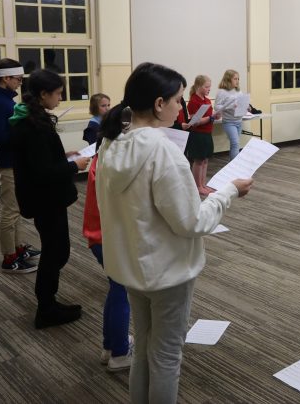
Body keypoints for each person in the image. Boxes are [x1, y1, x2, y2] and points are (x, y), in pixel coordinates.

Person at [96, 62, 253, 404]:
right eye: (178, 100)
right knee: (166, 356)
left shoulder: (111, 144)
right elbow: (191, 222)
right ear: (158, 104)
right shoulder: (163, 151)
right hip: (168, 272)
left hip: (130, 267)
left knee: (143, 349)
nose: (180, 107)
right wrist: (228, 192)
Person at [10, 69, 90, 328]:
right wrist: (74, 165)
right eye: (57, 94)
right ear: (43, 94)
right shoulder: (34, 127)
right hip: (46, 199)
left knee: (57, 251)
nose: (59, 99)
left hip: (45, 197)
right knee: (56, 252)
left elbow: (41, 160)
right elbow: (43, 172)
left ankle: (48, 303)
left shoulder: (32, 120)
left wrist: (64, 155)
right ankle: (46, 309)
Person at [0, 58, 41, 274]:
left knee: (16, 208)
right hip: (9, 163)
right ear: (5, 78)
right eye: (18, 79)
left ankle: (17, 248)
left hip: (16, 160)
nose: (20, 83)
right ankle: (9, 257)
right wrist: (23, 129)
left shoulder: (4, 99)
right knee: (10, 210)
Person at [82, 136, 133, 371]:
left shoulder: (101, 155)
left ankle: (111, 346)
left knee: (116, 289)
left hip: (99, 236)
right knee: (122, 291)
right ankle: (120, 354)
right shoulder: (116, 165)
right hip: (109, 238)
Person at [185, 75, 221, 196]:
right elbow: (195, 122)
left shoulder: (206, 100)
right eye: (206, 87)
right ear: (199, 87)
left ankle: (203, 184)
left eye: (209, 87)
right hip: (198, 134)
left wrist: (216, 116)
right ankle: (197, 186)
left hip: (207, 133)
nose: (209, 89)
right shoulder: (194, 101)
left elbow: (209, 117)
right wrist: (210, 117)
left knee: (205, 160)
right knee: (199, 161)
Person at [215, 69, 244, 160]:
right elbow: (216, 107)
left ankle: (233, 166)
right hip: (229, 122)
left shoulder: (238, 91)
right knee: (235, 144)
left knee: (235, 144)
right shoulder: (222, 92)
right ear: (228, 79)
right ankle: (235, 167)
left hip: (239, 121)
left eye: (238, 79)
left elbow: (241, 103)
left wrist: (246, 107)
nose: (237, 81)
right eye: (235, 79)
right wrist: (230, 106)